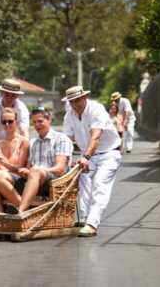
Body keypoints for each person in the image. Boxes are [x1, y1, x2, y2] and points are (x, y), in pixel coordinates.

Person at [63, 86, 122, 237]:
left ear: (84, 98)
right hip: (88, 155)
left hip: (108, 153)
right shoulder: (69, 115)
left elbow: (96, 136)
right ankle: (83, 219)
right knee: (82, 181)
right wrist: (66, 159)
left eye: (77, 100)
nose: (75, 104)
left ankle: (92, 224)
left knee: (99, 185)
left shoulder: (96, 109)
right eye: (72, 101)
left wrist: (86, 157)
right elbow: (67, 140)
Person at [0, 108, 73, 213]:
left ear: (49, 120)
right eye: (34, 122)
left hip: (52, 182)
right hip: (32, 180)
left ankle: (20, 211)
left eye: (40, 121)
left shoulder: (61, 138)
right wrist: (8, 165)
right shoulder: (34, 142)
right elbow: (28, 168)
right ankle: (25, 208)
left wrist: (37, 170)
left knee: (35, 171)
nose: (37, 125)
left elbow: (60, 169)